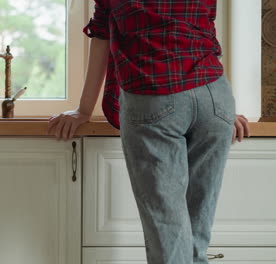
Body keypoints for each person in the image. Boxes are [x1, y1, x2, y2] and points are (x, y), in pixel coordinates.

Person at [48, 1, 251, 263]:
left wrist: (84, 110)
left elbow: (101, 36)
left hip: (155, 96)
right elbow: (202, 32)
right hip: (215, 97)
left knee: (168, 236)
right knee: (196, 235)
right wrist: (220, 109)